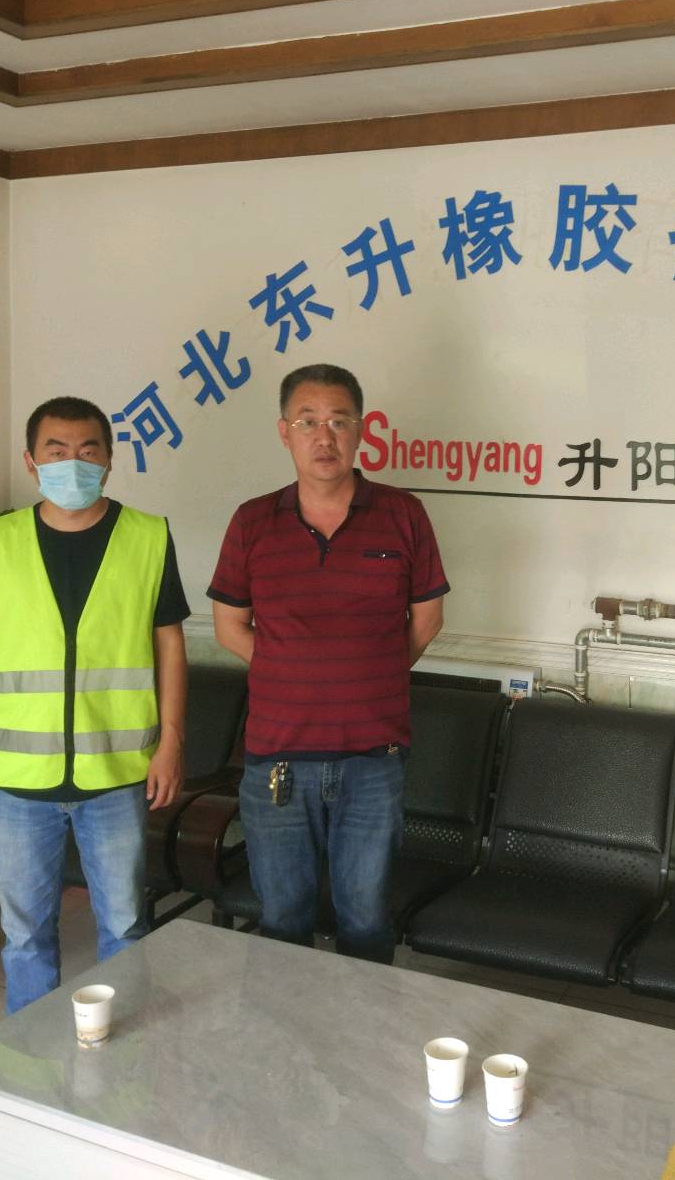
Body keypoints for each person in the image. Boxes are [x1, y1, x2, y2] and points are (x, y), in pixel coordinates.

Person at [0, 396, 189, 1013]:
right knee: (24, 935)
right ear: (31, 461)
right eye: (56, 451)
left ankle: (124, 1055)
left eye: (87, 450)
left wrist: (172, 742)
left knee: (125, 927)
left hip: (116, 773)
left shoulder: (147, 536)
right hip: (21, 780)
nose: (72, 463)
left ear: (108, 459)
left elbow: (169, 646)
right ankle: (31, 1056)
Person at [209, 363, 448, 963]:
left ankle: (360, 1028)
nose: (324, 437)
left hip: (373, 760)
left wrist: (372, 671)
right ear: (284, 431)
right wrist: (291, 666)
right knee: (283, 918)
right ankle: (286, 1028)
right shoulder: (252, 521)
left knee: (366, 921)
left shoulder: (403, 514)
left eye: (339, 422)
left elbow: (427, 620)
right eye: (308, 422)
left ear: (361, 430)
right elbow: (229, 627)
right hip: (278, 760)